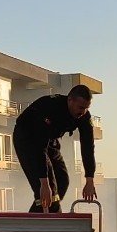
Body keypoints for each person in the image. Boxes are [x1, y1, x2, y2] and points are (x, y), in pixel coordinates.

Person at [13, 85, 98, 213]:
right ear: (70, 100)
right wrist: (44, 183)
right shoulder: (51, 108)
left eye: (87, 108)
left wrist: (89, 180)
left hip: (50, 139)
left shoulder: (84, 116)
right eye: (80, 108)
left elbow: (88, 146)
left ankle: (47, 214)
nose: (83, 112)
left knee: (62, 181)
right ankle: (39, 224)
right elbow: (39, 146)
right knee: (48, 188)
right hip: (28, 138)